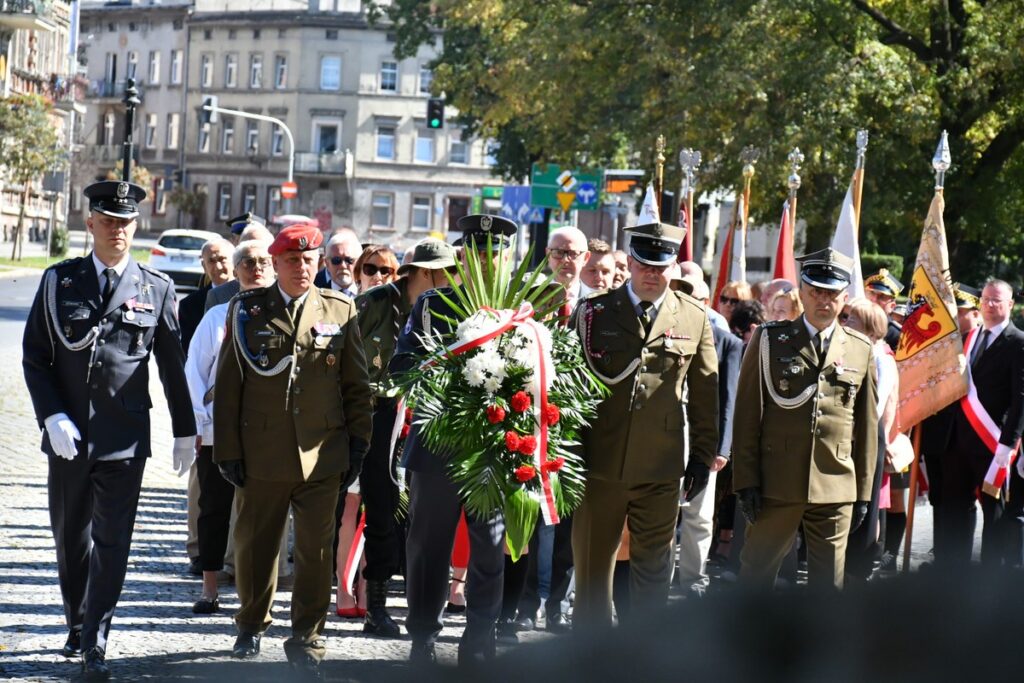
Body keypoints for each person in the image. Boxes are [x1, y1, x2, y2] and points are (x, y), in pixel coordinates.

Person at [22, 179, 196, 679]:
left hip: (124, 438)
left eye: (126, 222)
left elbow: (172, 367)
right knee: (70, 537)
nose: (118, 230)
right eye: (109, 221)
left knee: (113, 540)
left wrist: (185, 430)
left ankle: (96, 637)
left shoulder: (155, 288)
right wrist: (51, 415)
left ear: (135, 227)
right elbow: (36, 358)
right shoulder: (60, 282)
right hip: (67, 437)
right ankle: (76, 621)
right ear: (91, 223)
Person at [212, 223, 373, 677]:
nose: (301, 267)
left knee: (315, 552)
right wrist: (227, 449)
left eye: (309, 260)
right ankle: (251, 624)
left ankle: (308, 636)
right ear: (276, 263)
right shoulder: (246, 309)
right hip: (261, 451)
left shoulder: (340, 309)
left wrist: (359, 442)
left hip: (322, 452)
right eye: (291, 260)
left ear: (319, 263)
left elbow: (355, 385)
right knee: (255, 547)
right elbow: (228, 386)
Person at [571, 221, 718, 628]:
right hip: (598, 463)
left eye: (662, 265)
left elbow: (706, 395)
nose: (652, 274)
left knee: (654, 574)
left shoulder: (693, 317)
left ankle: (646, 658)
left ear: (673, 266)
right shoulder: (593, 312)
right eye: (645, 265)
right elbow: (570, 389)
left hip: (661, 467)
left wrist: (702, 460)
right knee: (592, 575)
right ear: (630, 263)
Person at [392, 214, 518, 666]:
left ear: (507, 259)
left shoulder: (522, 310)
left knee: (490, 545)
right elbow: (402, 367)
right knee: (428, 546)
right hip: (437, 447)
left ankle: (480, 637)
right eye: (476, 253)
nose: (485, 262)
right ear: (464, 257)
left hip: (493, 451)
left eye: (494, 253)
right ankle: (423, 633)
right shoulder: (433, 305)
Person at [732, 248, 877, 590]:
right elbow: (747, 415)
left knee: (829, 588)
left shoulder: (860, 348)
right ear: (802, 291)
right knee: (755, 576)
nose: (823, 300)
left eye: (832, 293)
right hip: (776, 484)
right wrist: (746, 480)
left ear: (845, 297)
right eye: (816, 291)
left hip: (835, 483)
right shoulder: (770, 340)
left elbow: (868, 427)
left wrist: (864, 493)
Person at [349, 237, 457, 638]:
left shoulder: (450, 309)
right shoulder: (374, 304)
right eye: (446, 274)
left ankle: (394, 602)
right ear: (426, 273)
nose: (451, 282)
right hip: (373, 415)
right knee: (377, 506)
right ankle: (373, 607)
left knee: (403, 510)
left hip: (420, 418)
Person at [185, 240, 274, 614]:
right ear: (235, 272)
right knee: (214, 509)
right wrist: (201, 428)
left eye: (263, 261)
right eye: (247, 262)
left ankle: (254, 593)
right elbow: (194, 374)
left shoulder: (283, 315)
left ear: (273, 269)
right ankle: (209, 588)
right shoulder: (215, 316)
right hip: (218, 431)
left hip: (269, 433)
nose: (255, 268)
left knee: (260, 514)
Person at [932, 279, 1024, 569]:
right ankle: (953, 572)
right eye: (985, 299)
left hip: (992, 440)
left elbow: (1020, 398)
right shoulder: (970, 337)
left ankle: (989, 578)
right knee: (955, 506)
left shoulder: (1018, 342)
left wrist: (1008, 443)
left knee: (993, 510)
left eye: (997, 300)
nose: (989, 305)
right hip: (958, 439)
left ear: (1010, 304)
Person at [670, 274, 742, 598]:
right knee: (663, 514)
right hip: (668, 439)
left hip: (704, 443)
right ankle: (659, 575)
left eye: (693, 295)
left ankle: (692, 580)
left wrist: (721, 448)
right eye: (678, 292)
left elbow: (726, 400)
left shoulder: (726, 342)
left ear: (706, 301)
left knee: (698, 516)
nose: (685, 300)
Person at [178, 237, 235, 576]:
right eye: (211, 260)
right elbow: (191, 361)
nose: (218, 265)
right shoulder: (194, 305)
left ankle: (228, 554)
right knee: (203, 484)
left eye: (223, 258)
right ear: (203, 266)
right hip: (206, 406)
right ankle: (198, 550)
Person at [918, 283, 983, 561]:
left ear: (976, 314)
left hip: (965, 437)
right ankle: (941, 557)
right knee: (938, 498)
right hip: (937, 434)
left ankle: (959, 563)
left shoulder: (981, 345)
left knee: (962, 501)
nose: (955, 318)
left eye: (962, 312)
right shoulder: (940, 344)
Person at [840, 297, 898, 581]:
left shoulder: (881, 359)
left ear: (870, 328)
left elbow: (875, 405)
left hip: (866, 437)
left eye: (851, 319)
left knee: (865, 500)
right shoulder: (852, 351)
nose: (845, 322)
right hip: (847, 436)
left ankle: (859, 566)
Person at [206, 219, 274, 312]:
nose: (254, 249)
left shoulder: (286, 291)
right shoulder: (218, 295)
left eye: (260, 246)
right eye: (247, 246)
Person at [546, 226, 592, 310]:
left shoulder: (595, 302)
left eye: (573, 253)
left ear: (586, 258)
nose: (565, 260)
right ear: (548, 255)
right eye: (558, 252)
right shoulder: (529, 299)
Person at [864, 268, 904, 351]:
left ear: (892, 306)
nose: (874, 299)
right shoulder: (849, 322)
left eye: (882, 297)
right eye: (872, 293)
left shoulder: (897, 336)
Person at [316, 228, 362, 296]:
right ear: (327, 263)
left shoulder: (368, 293)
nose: (343, 265)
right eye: (336, 260)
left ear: (359, 262)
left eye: (349, 260)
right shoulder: (316, 293)